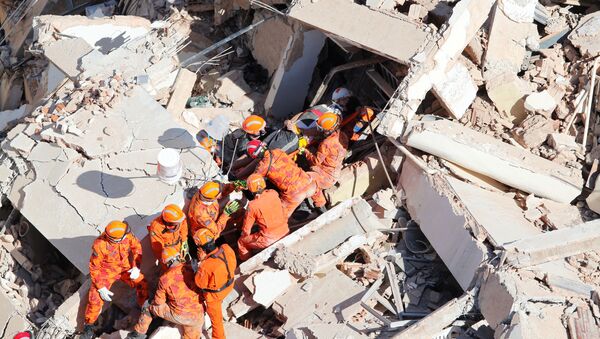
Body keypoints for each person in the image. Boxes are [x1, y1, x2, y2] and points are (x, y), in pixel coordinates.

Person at [82, 221, 148, 339]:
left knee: (141, 282)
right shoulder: (100, 245)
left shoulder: (126, 235)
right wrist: (101, 287)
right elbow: (94, 267)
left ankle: (145, 308)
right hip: (105, 272)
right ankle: (88, 326)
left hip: (124, 268)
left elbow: (136, 247)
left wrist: (136, 266)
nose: (126, 235)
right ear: (115, 239)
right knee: (95, 298)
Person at [127, 247, 204, 339]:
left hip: (181, 315)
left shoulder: (165, 279)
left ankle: (138, 334)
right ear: (179, 256)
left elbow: (158, 302)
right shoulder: (191, 268)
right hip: (198, 313)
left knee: (148, 306)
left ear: (166, 262)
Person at [246, 140, 317, 218]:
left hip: (294, 194)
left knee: (281, 217)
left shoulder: (262, 167)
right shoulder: (277, 151)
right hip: (308, 183)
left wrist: (239, 183)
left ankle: (301, 215)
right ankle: (321, 207)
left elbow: (252, 181)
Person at [194, 228, 237, 339]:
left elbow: (199, 283)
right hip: (230, 284)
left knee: (217, 322)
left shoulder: (205, 266)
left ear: (201, 248)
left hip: (215, 296)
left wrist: (202, 262)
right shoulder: (226, 248)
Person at [303, 113, 349, 212]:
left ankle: (320, 205)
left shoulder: (326, 143)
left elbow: (315, 161)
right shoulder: (343, 135)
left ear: (328, 129)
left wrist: (305, 151)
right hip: (334, 171)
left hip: (326, 177)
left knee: (306, 179)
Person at [237, 174, 288, 261]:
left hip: (268, 239)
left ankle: (247, 262)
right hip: (285, 230)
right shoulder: (273, 193)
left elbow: (246, 230)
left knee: (241, 242)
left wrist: (242, 234)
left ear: (250, 189)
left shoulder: (253, 205)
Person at [148, 204, 189, 270]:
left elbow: (183, 225)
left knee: (183, 265)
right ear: (169, 223)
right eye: (177, 223)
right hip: (168, 253)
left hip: (179, 246)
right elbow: (158, 249)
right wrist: (165, 262)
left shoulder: (179, 217)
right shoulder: (156, 227)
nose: (179, 223)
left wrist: (184, 240)